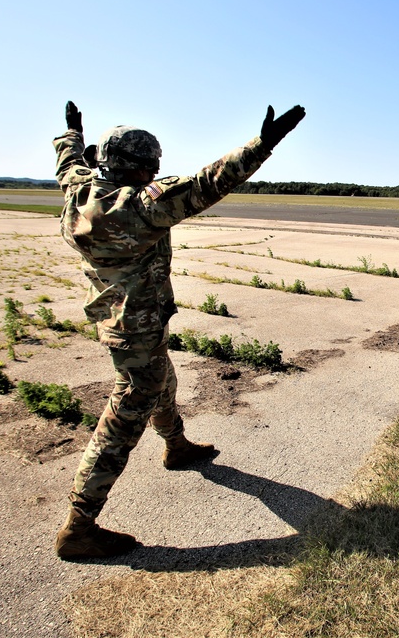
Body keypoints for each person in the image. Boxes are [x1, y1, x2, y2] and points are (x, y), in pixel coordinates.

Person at [52, 100, 305, 559]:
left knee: (162, 381)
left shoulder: (79, 191)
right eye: (150, 167)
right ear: (141, 169)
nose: (154, 173)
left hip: (120, 320)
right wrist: (263, 145)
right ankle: (78, 526)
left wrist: (71, 133)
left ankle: (176, 444)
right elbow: (208, 183)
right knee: (126, 413)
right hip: (137, 323)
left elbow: (67, 163)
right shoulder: (135, 207)